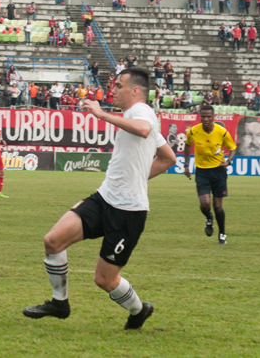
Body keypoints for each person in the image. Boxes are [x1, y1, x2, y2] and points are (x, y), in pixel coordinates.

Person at [22, 68, 176, 330]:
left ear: (135, 90)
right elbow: (168, 158)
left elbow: (143, 129)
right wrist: (138, 177)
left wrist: (102, 114)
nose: (112, 90)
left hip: (128, 212)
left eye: (118, 85)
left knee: (104, 280)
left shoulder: (143, 113)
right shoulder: (134, 115)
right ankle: (60, 303)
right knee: (53, 241)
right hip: (104, 198)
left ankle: (139, 311)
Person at [183, 105, 237, 246]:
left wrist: (228, 162)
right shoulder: (193, 131)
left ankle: (222, 234)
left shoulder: (222, 132)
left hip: (218, 171)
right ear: (200, 117)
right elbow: (188, 145)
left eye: (209, 116)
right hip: (202, 171)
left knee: (218, 206)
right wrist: (186, 164)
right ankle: (208, 217)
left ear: (214, 117)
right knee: (205, 204)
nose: (206, 119)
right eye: (203, 116)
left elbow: (232, 148)